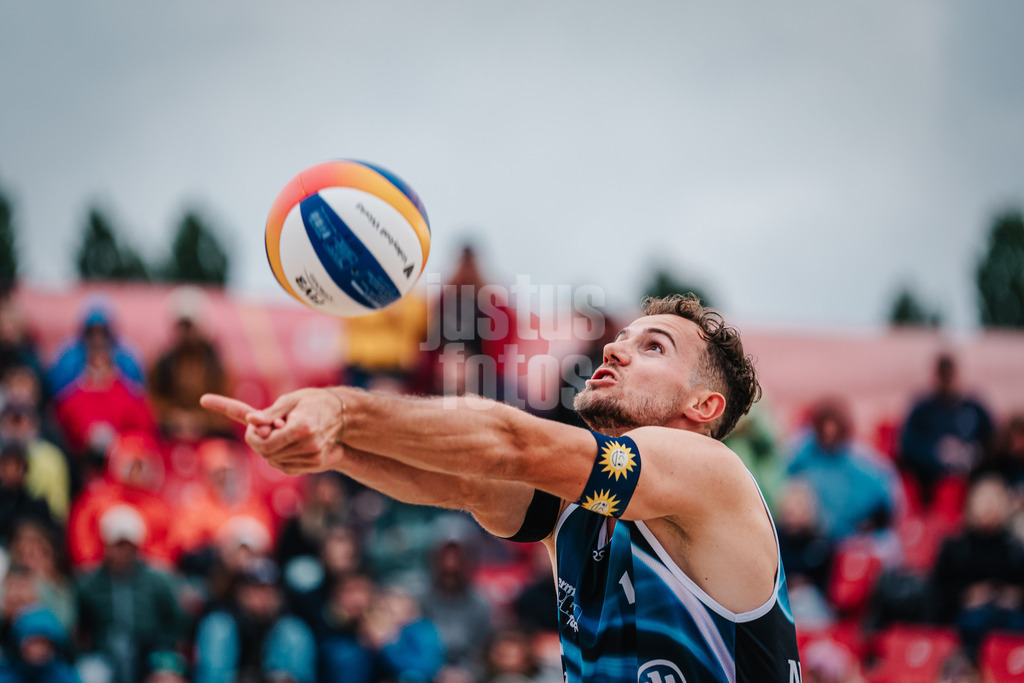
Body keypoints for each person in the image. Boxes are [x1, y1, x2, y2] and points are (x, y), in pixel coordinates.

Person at [202, 293, 801, 682]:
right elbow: (464, 481)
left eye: (652, 346)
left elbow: (511, 443)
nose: (615, 347)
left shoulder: (710, 468)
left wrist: (342, 409)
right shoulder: (580, 507)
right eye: (621, 337)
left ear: (705, 405)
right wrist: (332, 450)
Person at [900, 353, 994, 506]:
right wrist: (938, 453)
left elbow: (993, 440)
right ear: (935, 375)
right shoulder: (922, 409)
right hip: (930, 484)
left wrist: (973, 453)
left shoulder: (974, 407)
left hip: (971, 481)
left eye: (950, 373)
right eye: (943, 374)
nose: (947, 379)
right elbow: (907, 445)